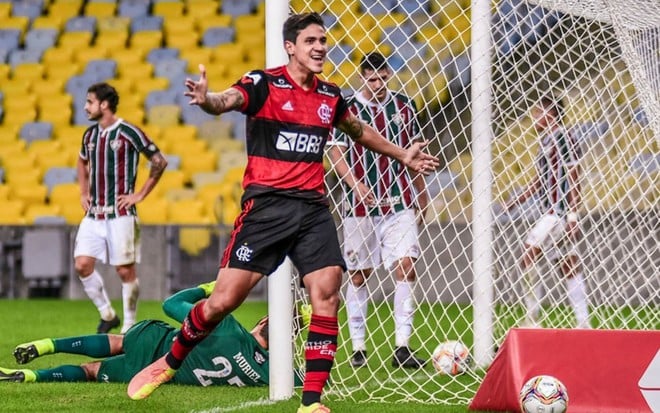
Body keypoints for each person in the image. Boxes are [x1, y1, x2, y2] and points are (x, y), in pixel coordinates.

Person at [126, 13, 438, 413]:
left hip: (312, 208)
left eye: (323, 40)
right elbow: (227, 100)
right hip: (267, 208)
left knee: (327, 293)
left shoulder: (330, 96)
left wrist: (402, 155)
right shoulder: (264, 84)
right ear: (290, 46)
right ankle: (169, 363)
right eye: (310, 41)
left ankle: (311, 402)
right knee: (223, 301)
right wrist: (207, 100)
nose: (320, 47)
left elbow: (358, 130)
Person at [326, 52, 429, 369]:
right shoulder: (346, 109)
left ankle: (402, 346)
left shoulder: (404, 106)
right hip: (360, 207)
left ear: (388, 74)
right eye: (371, 79)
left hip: (399, 202)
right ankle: (358, 347)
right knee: (359, 276)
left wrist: (422, 193)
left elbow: (412, 153)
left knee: (406, 266)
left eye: (383, 77)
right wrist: (356, 185)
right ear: (361, 78)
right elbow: (335, 153)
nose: (378, 84)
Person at [0, 283, 298, 387]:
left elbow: (171, 304)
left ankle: (45, 344)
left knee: (117, 341)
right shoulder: (270, 375)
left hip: (159, 342)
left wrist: (210, 288)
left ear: (262, 321)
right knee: (89, 373)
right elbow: (303, 379)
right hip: (153, 373)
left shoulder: (227, 326)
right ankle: (30, 377)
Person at [74, 82, 167, 334]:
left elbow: (159, 161)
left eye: (89, 102)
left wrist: (140, 194)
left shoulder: (128, 132)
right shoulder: (89, 135)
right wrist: (83, 192)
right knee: (82, 264)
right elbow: (81, 163)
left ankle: (128, 326)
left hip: (121, 214)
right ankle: (107, 314)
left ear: (104, 105)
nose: (85, 107)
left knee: (124, 270)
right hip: (93, 214)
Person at [503, 96, 589, 328]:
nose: (533, 118)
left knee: (529, 255)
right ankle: (583, 321)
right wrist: (518, 199)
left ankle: (532, 318)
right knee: (569, 264)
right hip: (551, 211)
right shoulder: (546, 140)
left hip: (558, 213)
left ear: (549, 113)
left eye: (537, 112)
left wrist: (573, 215)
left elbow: (574, 174)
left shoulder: (563, 137)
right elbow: (540, 181)